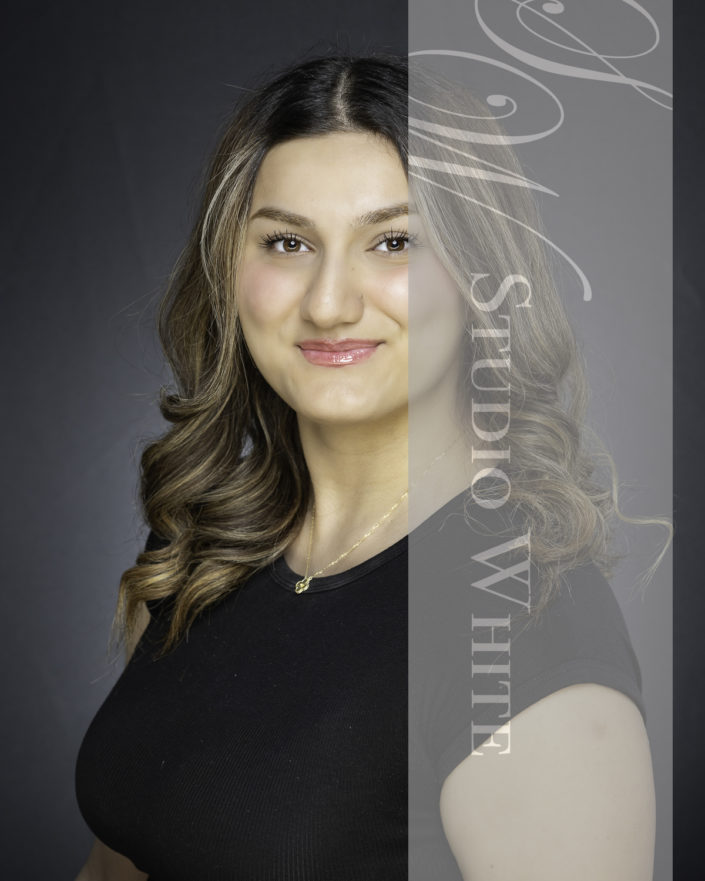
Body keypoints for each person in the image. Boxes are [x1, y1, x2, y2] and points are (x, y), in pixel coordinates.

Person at [74, 54, 664, 881]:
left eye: (394, 242)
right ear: (230, 270)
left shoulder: (527, 638)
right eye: (287, 242)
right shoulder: (203, 555)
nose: (328, 302)